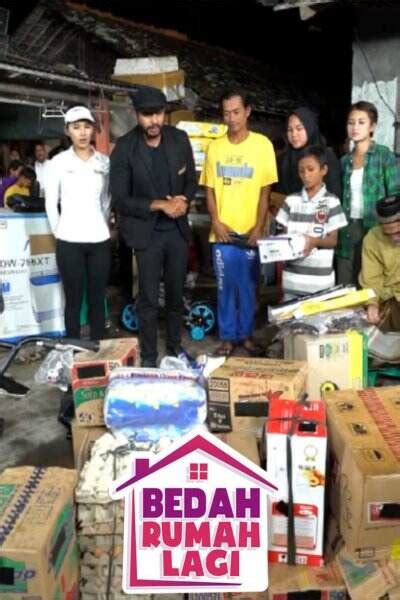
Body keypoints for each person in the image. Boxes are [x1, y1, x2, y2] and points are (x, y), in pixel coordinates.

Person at [110, 87, 197, 367]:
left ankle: (174, 346)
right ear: (137, 115)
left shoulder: (179, 139)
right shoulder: (125, 148)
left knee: (175, 294)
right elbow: (120, 199)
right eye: (147, 115)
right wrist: (160, 205)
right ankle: (149, 358)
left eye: (158, 114)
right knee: (147, 298)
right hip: (146, 235)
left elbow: (191, 180)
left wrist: (184, 200)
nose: (153, 121)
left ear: (164, 113)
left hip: (177, 232)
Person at [200, 88, 278, 357]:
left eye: (236, 112)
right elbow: (209, 190)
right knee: (225, 288)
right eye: (226, 113)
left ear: (247, 111)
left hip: (249, 233)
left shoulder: (263, 145)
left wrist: (259, 227)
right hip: (223, 233)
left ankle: (245, 336)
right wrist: (216, 222)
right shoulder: (215, 147)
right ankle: (227, 338)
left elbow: (265, 192)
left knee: (248, 288)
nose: (231, 118)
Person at [45, 105, 111, 340]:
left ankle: (98, 347)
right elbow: (51, 203)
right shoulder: (58, 163)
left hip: (99, 240)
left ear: (93, 130)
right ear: (67, 131)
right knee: (73, 299)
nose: (82, 133)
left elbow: (106, 201)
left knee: (97, 298)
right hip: (69, 241)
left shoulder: (104, 163)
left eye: (86, 127)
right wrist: (60, 233)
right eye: (76, 127)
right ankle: (72, 347)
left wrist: (102, 226)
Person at [336, 100, 399, 286]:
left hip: (376, 228)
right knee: (346, 285)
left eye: (361, 122)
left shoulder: (384, 156)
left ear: (372, 127)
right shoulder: (344, 161)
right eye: (351, 122)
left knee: (371, 284)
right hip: (347, 229)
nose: (355, 127)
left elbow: (396, 193)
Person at [276, 146, 347, 298]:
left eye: (311, 169)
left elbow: (333, 240)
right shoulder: (291, 201)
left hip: (320, 283)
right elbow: (283, 238)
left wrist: (313, 241)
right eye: (301, 171)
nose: (306, 175)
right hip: (292, 282)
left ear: (323, 170)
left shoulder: (331, 202)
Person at [276, 106, 341, 198]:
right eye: (290, 130)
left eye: (299, 129)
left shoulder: (327, 156)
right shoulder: (283, 160)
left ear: (310, 128)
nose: (294, 134)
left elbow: (333, 194)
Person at [359, 195, 400, 331]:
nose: (394, 238)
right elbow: (371, 279)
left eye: (398, 232)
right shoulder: (373, 239)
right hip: (390, 300)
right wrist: (372, 304)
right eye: (388, 234)